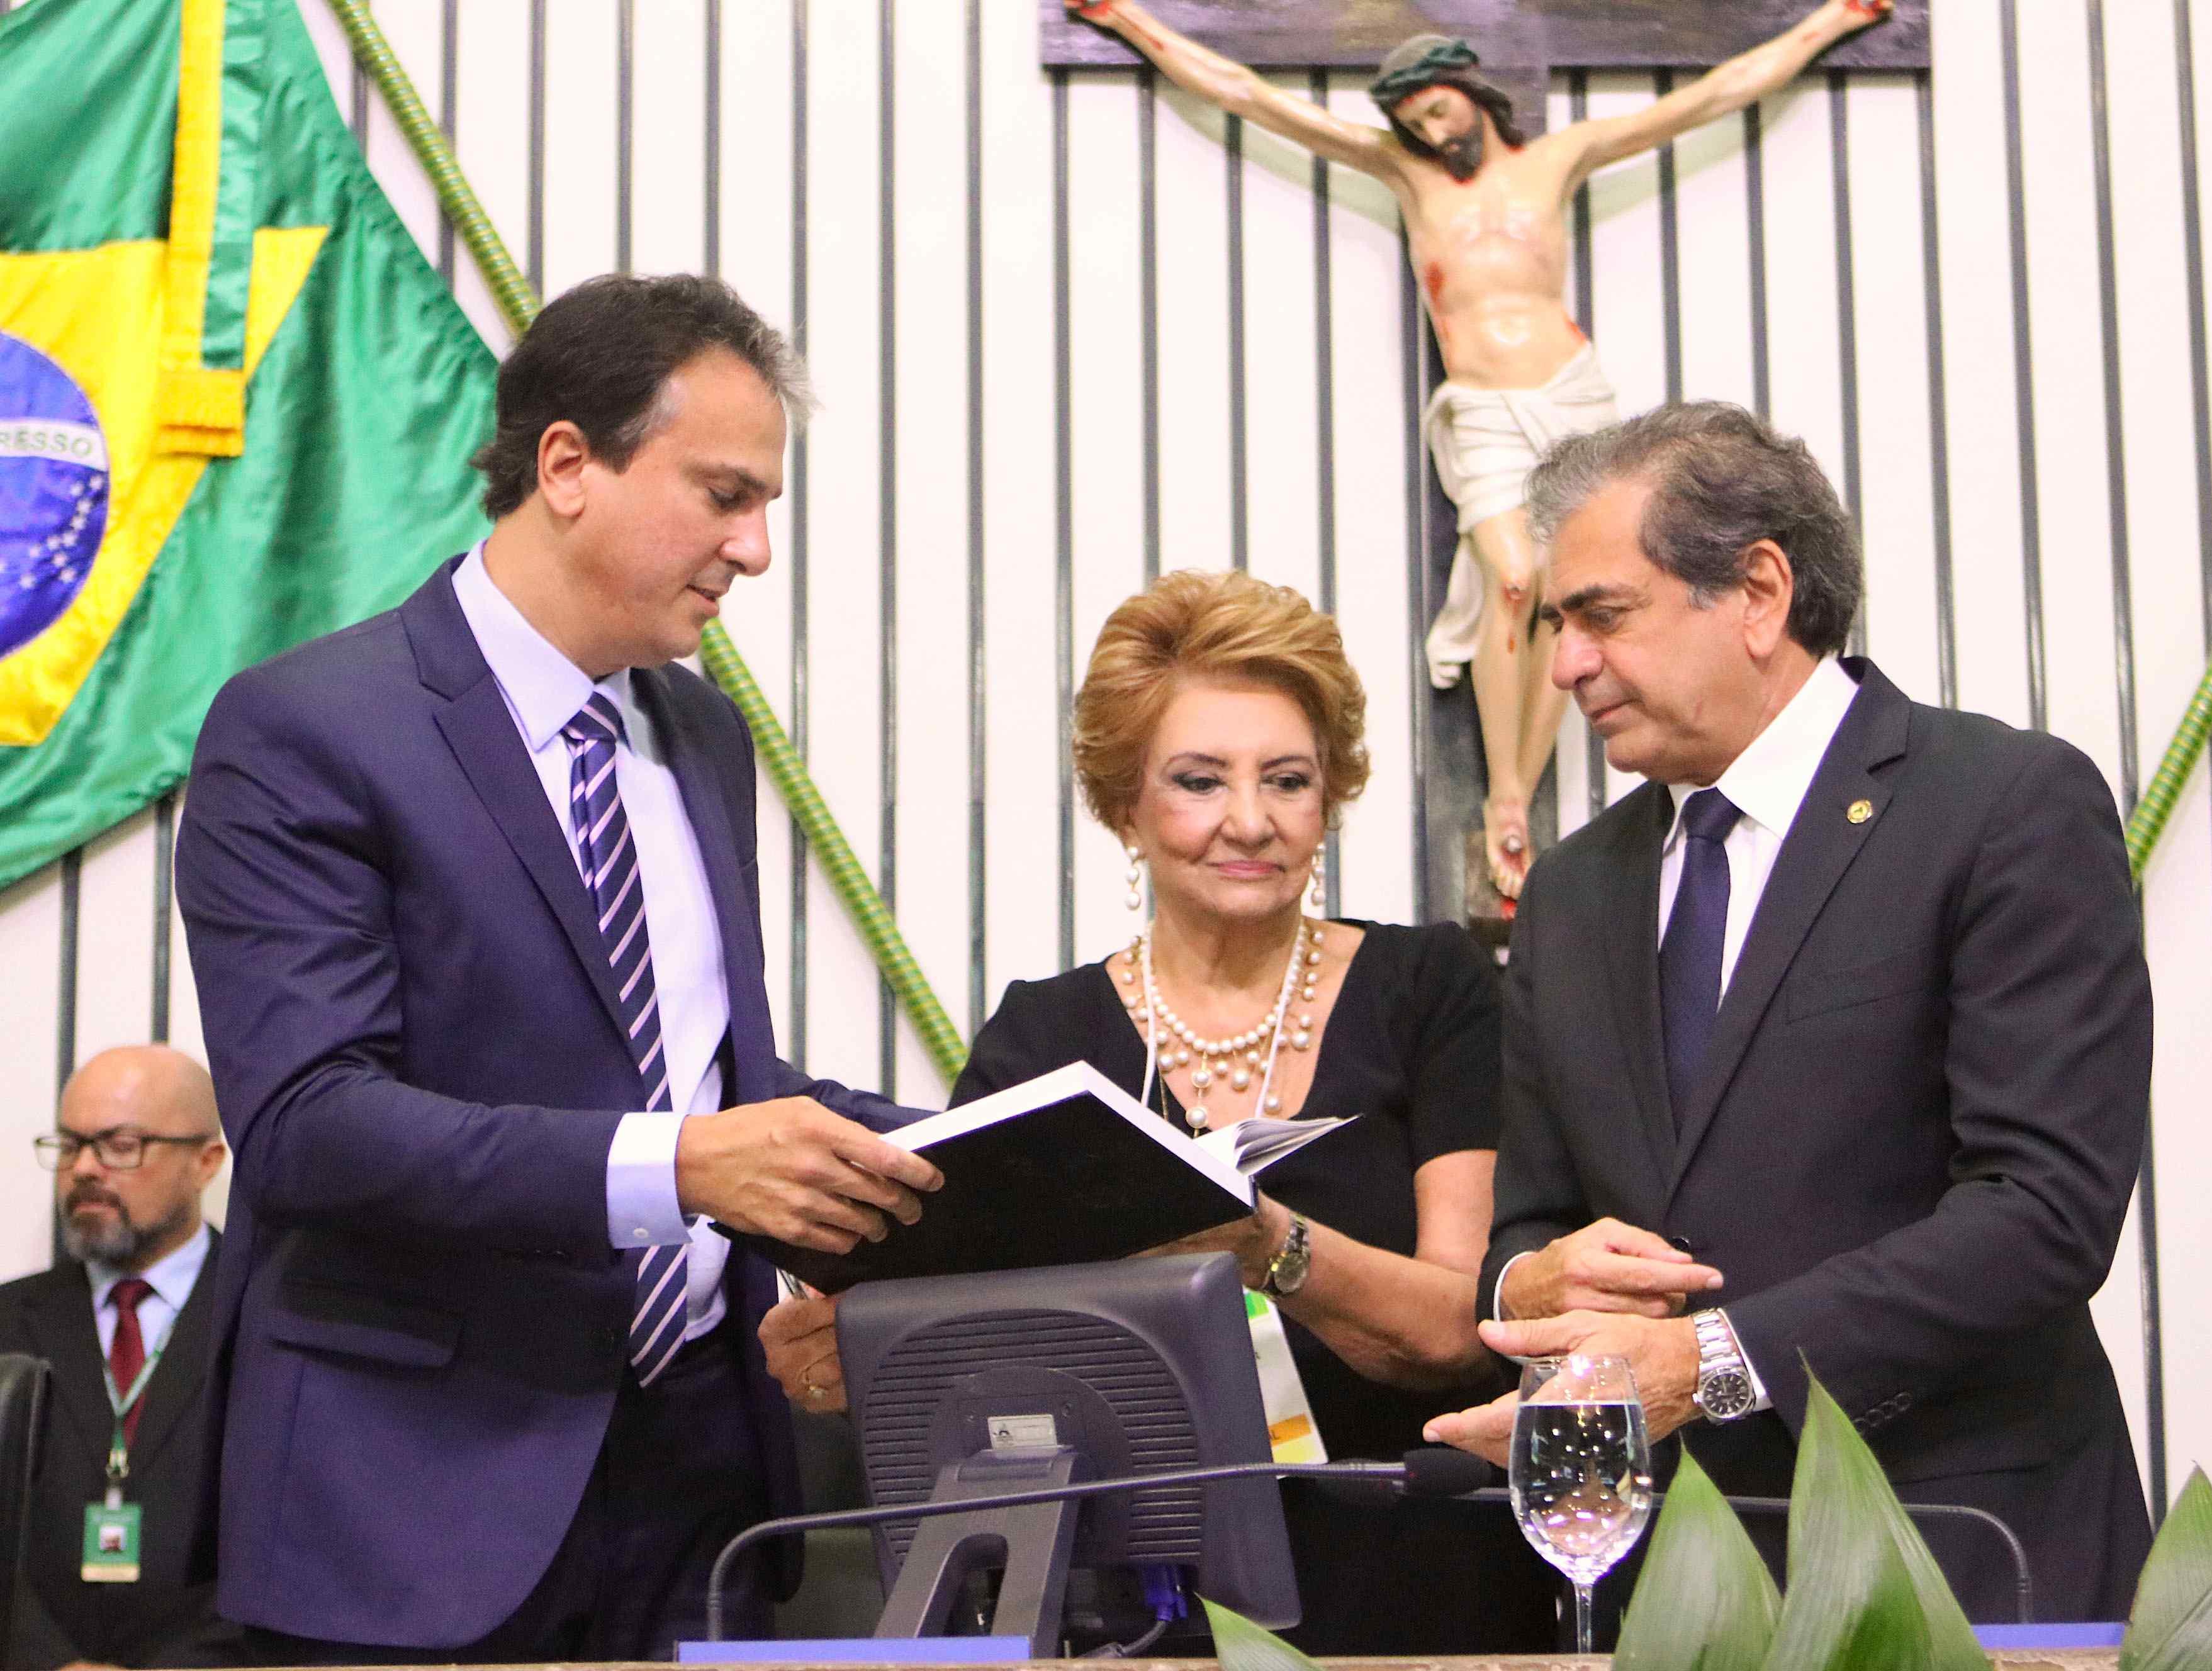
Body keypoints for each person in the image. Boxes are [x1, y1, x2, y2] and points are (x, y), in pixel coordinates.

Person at [172, 274, 945, 1662]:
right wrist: (680, 1167)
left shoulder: (701, 734)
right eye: (724, 495)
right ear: (569, 465)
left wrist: (1040, 1151)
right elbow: (309, 1124)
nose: (756, 548)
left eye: (764, 503)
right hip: (413, 1493)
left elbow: (708, 1075)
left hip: (701, 1479)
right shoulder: (305, 728)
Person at [1422, 402, 2155, 1624]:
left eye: (1602, 615)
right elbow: (1534, 1222)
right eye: (1556, 625)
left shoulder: (2000, 806)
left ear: (1757, 592)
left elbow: (2043, 1209)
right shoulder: (1571, 888)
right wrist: (1530, 1285)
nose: (1564, 667)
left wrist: (1710, 1362)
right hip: (1666, 1585)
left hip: (1956, 1559)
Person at [758, 570, 1555, 1654]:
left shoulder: (1432, 990)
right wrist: (849, 1355)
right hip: (1128, 1600)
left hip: (1418, 1573)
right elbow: (970, 1351)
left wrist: (1269, 1246)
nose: (1249, 820)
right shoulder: (1042, 1037)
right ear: (1124, 805)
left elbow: (1465, 1326)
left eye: (1287, 780)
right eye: (1198, 781)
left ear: (1328, 797)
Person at [1064, 0, 1892, 900]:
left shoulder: (1556, 160)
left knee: (1573, 601)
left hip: (1570, 394)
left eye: (1437, 109)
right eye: (1412, 121)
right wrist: (1129, 22)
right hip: (1486, 409)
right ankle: (1504, 794)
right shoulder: (1407, 176)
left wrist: (1831, 22)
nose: (1429, 131)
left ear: (1470, 90)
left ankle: (1520, 792)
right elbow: (1252, 97)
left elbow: (1708, 98)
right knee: (1513, 579)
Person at [1, 1048, 240, 1671]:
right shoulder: (8, 1322)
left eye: (121, 1146)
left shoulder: (264, 1327)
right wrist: (48, 1661)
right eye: (71, 1144)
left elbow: (299, 1544)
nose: (84, 1168)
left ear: (206, 1161)